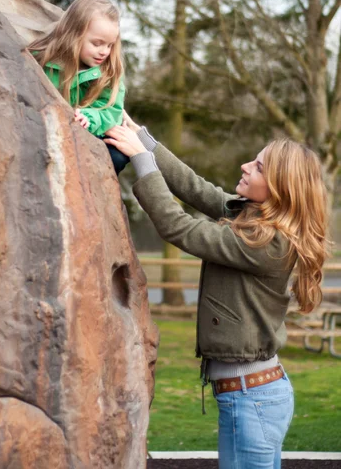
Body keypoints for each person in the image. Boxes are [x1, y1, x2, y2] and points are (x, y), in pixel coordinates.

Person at [104, 115, 329, 469]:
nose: (244, 166)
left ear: (281, 186)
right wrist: (144, 139)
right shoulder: (254, 219)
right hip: (249, 395)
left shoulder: (268, 242)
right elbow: (196, 189)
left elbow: (178, 227)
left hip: (251, 397)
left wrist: (141, 162)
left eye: (258, 166)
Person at [28, 0, 129, 174]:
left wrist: (90, 117)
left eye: (110, 45)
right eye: (97, 43)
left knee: (119, 156)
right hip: (51, 128)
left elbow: (112, 111)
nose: (104, 52)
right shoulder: (44, 60)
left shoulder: (111, 71)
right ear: (74, 34)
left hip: (93, 133)